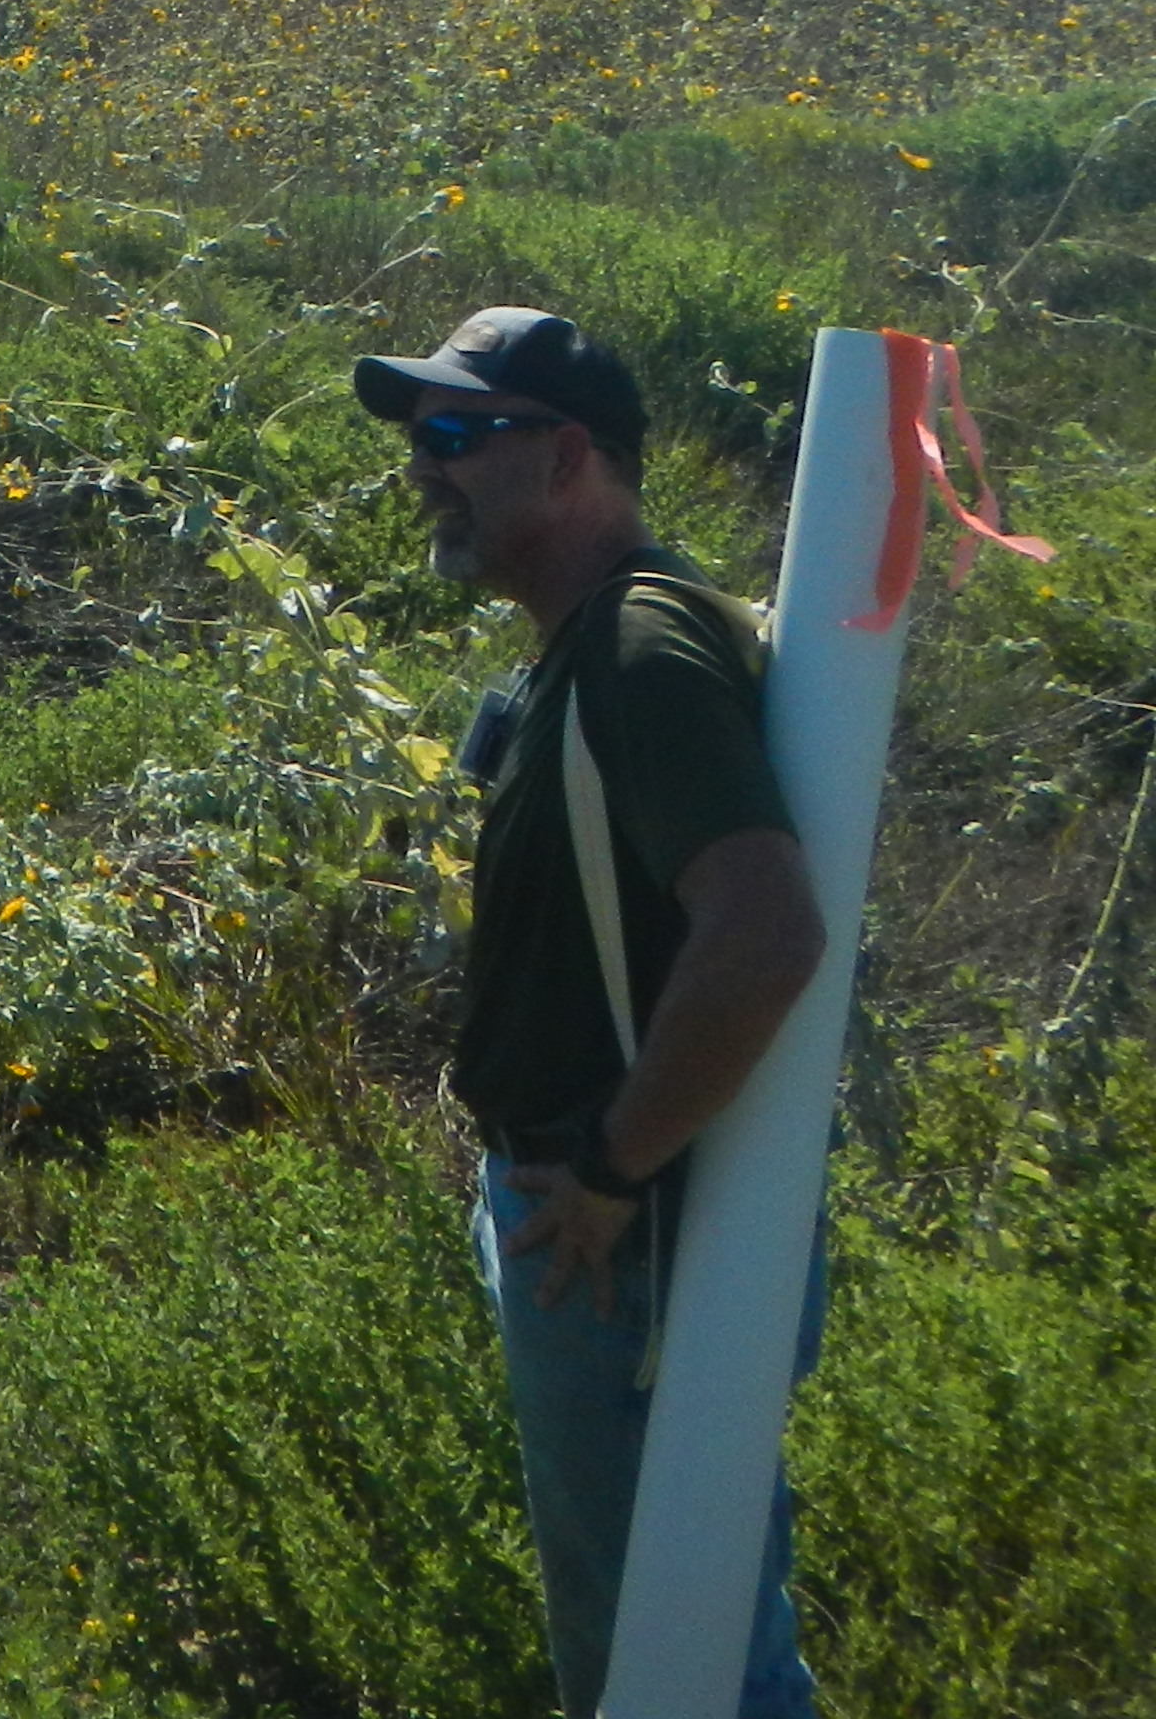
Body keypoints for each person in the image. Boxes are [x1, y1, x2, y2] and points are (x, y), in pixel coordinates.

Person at [360, 307, 830, 1719]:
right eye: (414, 439)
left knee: (671, 1671)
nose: (420, 469)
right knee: (678, 1644)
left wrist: (614, 1169)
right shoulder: (587, 648)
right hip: (606, 1224)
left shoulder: (635, 649)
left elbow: (767, 928)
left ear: (568, 457)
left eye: (455, 435)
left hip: (624, 1243)